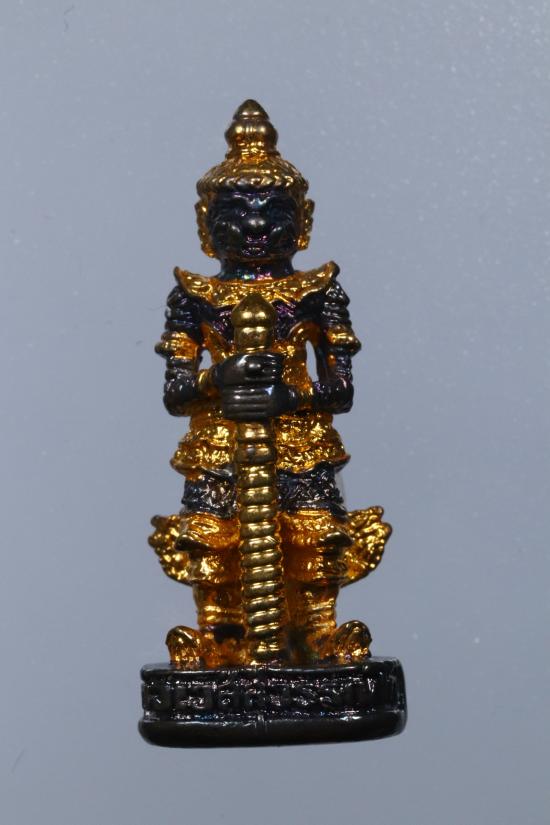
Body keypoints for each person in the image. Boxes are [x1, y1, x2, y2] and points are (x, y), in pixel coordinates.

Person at [149, 100, 390, 668]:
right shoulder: (194, 297)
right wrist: (218, 376)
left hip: (302, 441)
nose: (255, 226)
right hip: (218, 444)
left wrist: (292, 397)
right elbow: (176, 393)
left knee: (315, 539)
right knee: (212, 541)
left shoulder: (318, 292)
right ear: (205, 223)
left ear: (303, 221)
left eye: (273, 211)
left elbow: (341, 390)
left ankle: (319, 636)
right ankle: (220, 638)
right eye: (235, 212)